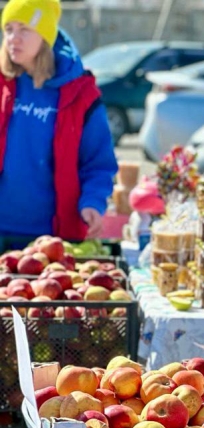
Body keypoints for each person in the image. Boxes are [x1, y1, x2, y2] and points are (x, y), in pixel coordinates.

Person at [0, 0, 117, 251]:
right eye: (8, 29)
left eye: (24, 29)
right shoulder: (2, 84)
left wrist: (92, 202)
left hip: (53, 239)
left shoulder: (81, 94)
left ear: (45, 36)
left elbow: (98, 162)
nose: (13, 38)